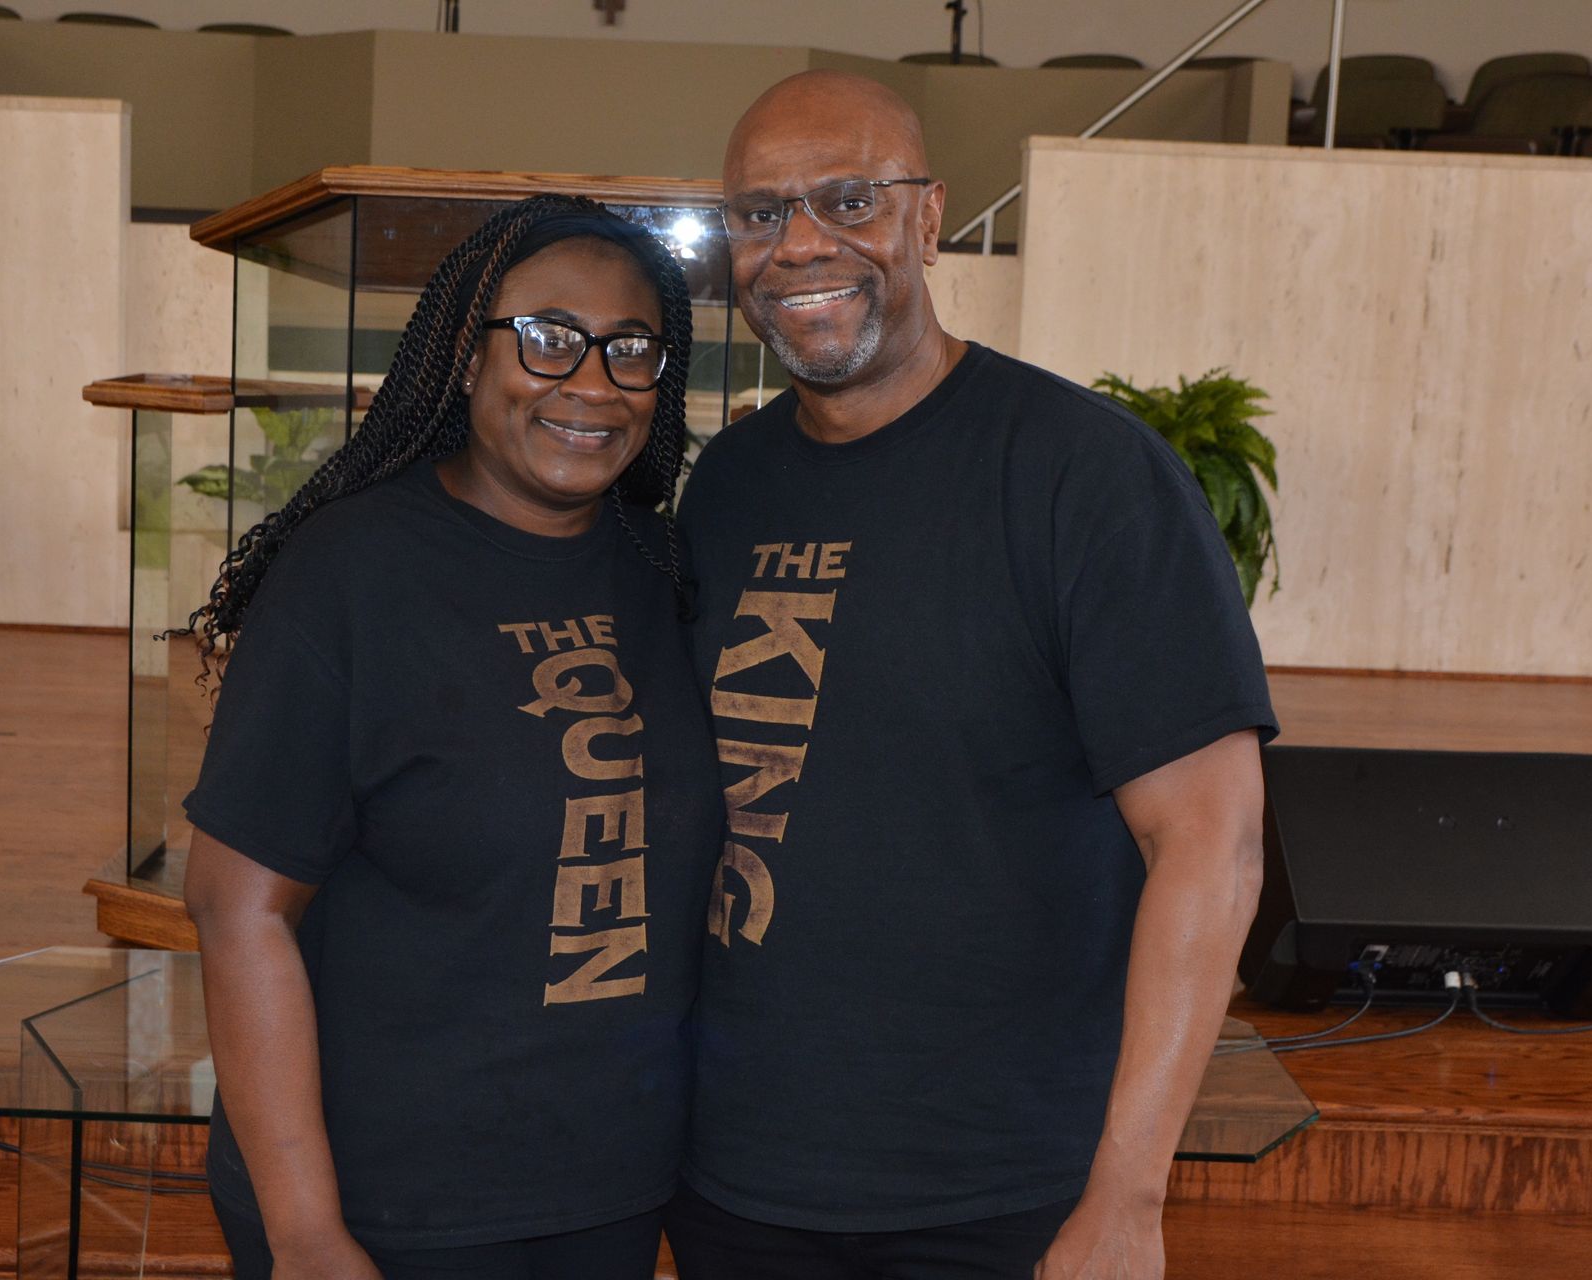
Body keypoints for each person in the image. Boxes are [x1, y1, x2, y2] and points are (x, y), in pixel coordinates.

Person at [662, 71, 1277, 1280]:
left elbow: (1215, 843)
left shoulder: (1086, 476)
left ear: (931, 216)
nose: (801, 244)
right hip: (737, 1181)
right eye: (761, 213)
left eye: (849, 199)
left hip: (998, 1195)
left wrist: (1128, 1194)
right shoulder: (725, 484)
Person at [179, 195, 721, 1280]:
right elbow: (238, 911)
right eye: (549, 337)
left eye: (630, 349)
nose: (592, 382)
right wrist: (306, 1230)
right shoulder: (351, 574)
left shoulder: (659, 569)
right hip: (386, 1205)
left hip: (605, 1192)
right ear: (467, 357)